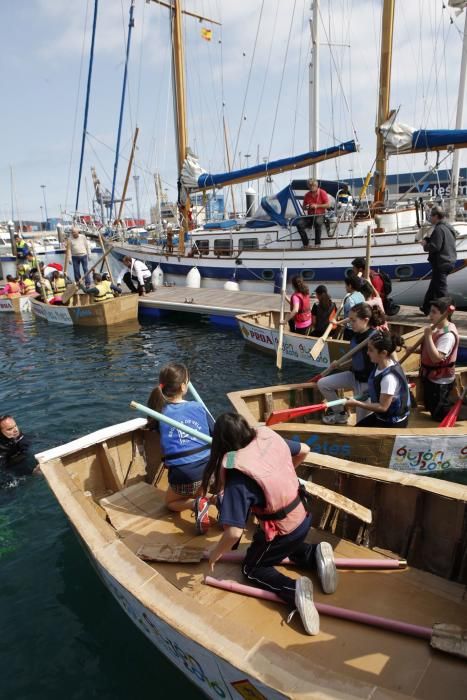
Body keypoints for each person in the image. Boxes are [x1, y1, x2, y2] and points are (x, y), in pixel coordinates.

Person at [201, 413, 336, 636]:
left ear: (221, 445)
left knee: (252, 567)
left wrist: (215, 553)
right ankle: (314, 553)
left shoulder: (238, 475)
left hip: (283, 532)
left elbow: (234, 533)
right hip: (303, 518)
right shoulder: (266, 435)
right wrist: (284, 472)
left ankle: (294, 590)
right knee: (276, 545)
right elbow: (304, 450)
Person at [147, 363, 215, 534]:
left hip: (183, 475)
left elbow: (154, 429)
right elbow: (215, 432)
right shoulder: (199, 408)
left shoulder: (160, 413)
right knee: (200, 484)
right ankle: (215, 499)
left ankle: (195, 504)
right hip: (209, 472)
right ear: (184, 387)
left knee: (169, 503)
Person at [317, 302, 386, 425]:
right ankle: (340, 414)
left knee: (361, 424)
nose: (349, 323)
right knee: (322, 384)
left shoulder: (375, 338)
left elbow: (384, 363)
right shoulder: (357, 335)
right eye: (350, 319)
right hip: (354, 376)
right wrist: (338, 364)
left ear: (365, 320)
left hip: (367, 383)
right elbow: (357, 357)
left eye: (353, 320)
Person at [346, 332, 410, 428]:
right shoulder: (381, 363)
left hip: (392, 423)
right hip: (381, 416)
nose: (367, 353)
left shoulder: (389, 379)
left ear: (383, 353)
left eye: (371, 350)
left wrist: (357, 403)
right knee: (357, 429)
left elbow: (383, 407)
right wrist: (369, 392)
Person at [419, 297, 459, 421]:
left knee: (439, 415)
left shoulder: (447, 335)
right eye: (430, 311)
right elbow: (430, 349)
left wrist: (428, 336)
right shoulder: (438, 327)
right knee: (430, 407)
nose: (430, 315)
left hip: (440, 381)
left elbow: (437, 358)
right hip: (430, 376)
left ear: (445, 314)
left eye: (434, 312)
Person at [420, 206, 457, 315]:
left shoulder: (439, 229)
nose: (430, 218)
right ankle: (426, 307)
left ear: (436, 216)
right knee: (433, 286)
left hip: (441, 262)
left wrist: (425, 245)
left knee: (441, 290)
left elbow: (435, 246)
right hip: (449, 260)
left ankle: (447, 314)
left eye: (431, 215)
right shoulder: (449, 227)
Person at [294, 179, 331, 248]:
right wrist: (306, 207)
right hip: (310, 216)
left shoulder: (322, 192)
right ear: (308, 186)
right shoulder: (307, 195)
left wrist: (317, 206)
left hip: (320, 215)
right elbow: (304, 207)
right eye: (310, 185)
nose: (312, 187)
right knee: (299, 224)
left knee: (317, 222)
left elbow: (328, 205)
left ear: (316, 185)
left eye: (313, 185)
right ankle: (306, 244)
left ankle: (317, 244)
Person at [342, 273, 365, 340]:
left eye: (346, 285)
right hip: (360, 328)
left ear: (350, 286)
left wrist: (337, 322)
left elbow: (351, 317)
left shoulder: (350, 299)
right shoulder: (361, 295)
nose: (345, 287)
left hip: (351, 330)